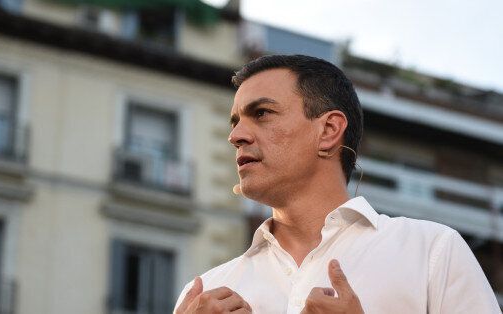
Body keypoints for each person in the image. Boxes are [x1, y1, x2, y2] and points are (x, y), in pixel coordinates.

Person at [174, 55, 499, 313]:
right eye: (235, 122)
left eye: (261, 113)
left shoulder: (432, 252)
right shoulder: (202, 292)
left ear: (329, 130)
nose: (235, 136)